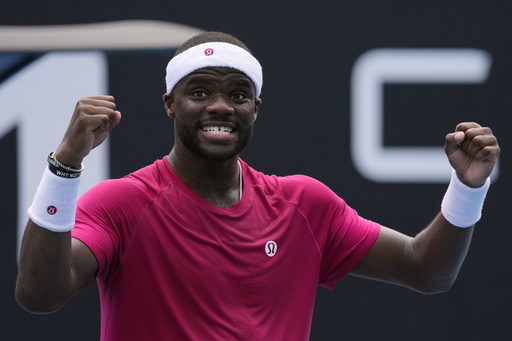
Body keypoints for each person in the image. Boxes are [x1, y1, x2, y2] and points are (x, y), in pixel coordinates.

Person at [15, 31, 500, 340]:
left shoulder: (305, 205)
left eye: (238, 94)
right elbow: (39, 295)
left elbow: (426, 270)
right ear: (169, 104)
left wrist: (467, 188)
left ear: (256, 108)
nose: (221, 106)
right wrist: (65, 164)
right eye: (200, 92)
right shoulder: (120, 203)